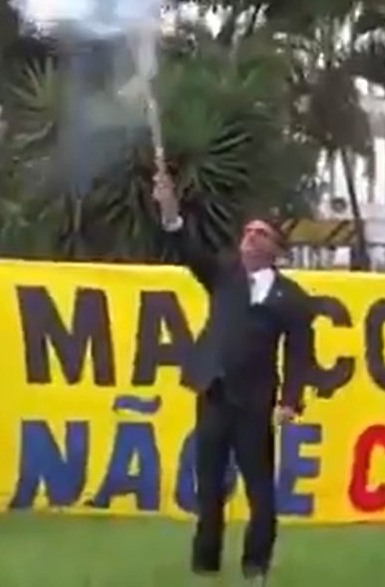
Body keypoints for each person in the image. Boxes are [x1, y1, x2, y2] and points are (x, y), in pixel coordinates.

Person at [150, 168, 316, 585]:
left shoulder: (292, 298)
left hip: (255, 402)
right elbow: (188, 249)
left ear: (277, 248)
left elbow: (299, 354)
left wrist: (290, 401)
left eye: (261, 233)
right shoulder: (223, 275)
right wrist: (170, 211)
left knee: (260, 490)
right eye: (248, 231)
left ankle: (255, 566)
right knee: (209, 487)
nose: (251, 237)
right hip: (213, 393)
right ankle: (205, 565)